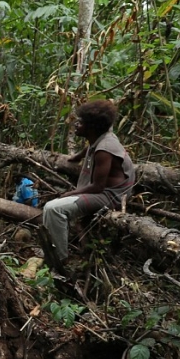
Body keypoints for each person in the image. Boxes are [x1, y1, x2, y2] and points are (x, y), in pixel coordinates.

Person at [40, 100, 135, 272]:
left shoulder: (104, 150)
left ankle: (59, 261)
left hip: (111, 196)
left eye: (81, 122)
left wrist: (69, 194)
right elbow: (91, 145)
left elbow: (97, 187)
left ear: (91, 127)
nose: (76, 124)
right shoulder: (103, 137)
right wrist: (77, 156)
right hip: (107, 191)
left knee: (53, 209)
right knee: (56, 207)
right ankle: (57, 252)